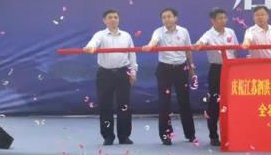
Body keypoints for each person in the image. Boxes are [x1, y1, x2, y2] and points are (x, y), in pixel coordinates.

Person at [84, 9, 137, 145]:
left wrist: (133, 73)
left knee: (124, 105)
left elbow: (132, 56)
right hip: (105, 74)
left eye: (115, 17)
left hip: (123, 73)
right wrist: (90, 48)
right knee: (105, 105)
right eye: (110, 17)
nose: (113, 19)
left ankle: (124, 136)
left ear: (118, 19)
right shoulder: (100, 35)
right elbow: (93, 43)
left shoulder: (126, 36)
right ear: (104, 20)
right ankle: (108, 136)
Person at [143, 8, 196, 145]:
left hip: (181, 69)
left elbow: (188, 50)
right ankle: (166, 135)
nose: (166, 19)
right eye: (164, 17)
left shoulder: (184, 31)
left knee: (184, 102)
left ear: (175, 18)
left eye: (169, 16)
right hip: (164, 70)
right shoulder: (158, 32)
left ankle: (190, 134)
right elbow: (154, 41)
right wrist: (150, 46)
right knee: (164, 103)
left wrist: (191, 67)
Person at [195, 8, 238, 147]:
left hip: (231, 69)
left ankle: (233, 135)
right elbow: (200, 43)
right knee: (214, 102)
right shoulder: (208, 34)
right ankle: (213, 136)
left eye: (224, 18)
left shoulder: (231, 32)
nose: (223, 20)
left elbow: (235, 50)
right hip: (216, 70)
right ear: (212, 20)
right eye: (220, 18)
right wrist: (198, 45)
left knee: (233, 101)